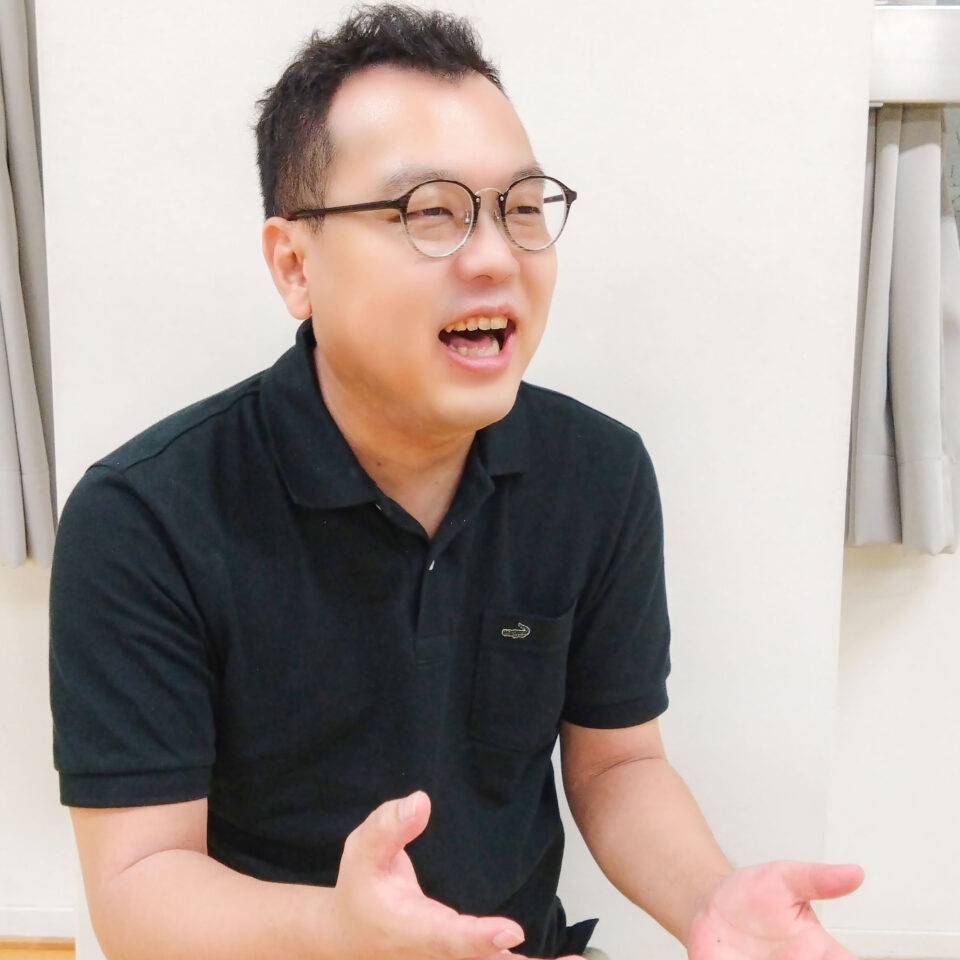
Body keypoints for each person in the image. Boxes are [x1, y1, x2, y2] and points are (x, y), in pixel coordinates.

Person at [49, 6, 864, 960]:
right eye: (429, 212)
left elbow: (617, 765)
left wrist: (707, 902)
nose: (494, 256)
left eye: (522, 208)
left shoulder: (595, 474)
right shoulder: (145, 516)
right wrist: (339, 932)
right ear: (294, 265)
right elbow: (138, 885)